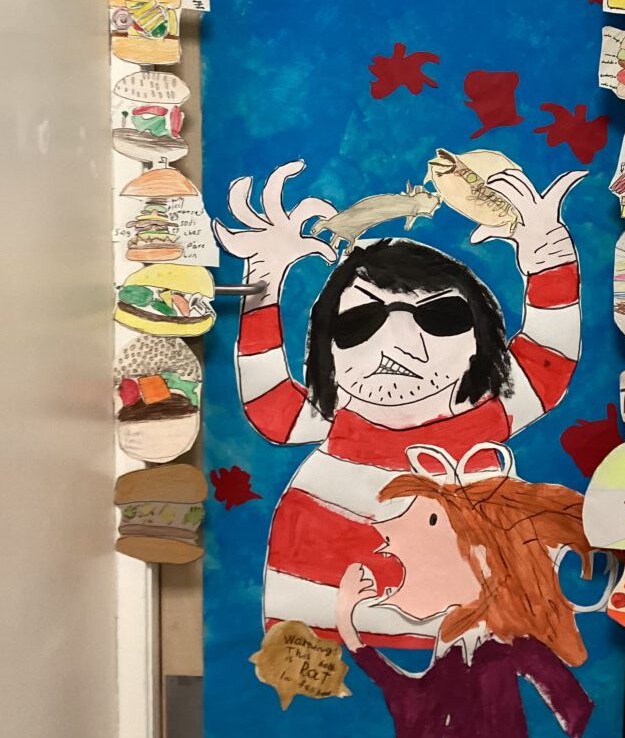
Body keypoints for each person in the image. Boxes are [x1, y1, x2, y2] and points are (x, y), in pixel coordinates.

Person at [214, 160, 584, 645]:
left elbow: (548, 358)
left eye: (441, 318)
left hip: (465, 645)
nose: (399, 343)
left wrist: (548, 255)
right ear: (325, 348)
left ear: (481, 342)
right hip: (316, 643)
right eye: (360, 322)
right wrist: (262, 283)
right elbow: (269, 405)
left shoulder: (483, 418)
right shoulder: (338, 418)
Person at [335, 444, 594, 738]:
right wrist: (347, 625)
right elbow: (411, 697)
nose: (392, 549)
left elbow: (578, 718)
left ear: (482, 557)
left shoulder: (518, 650)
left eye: (432, 525)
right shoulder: (455, 645)